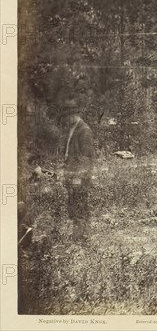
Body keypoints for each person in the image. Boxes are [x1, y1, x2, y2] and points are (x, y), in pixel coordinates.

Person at [60, 99, 95, 242]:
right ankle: (81, 235)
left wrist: (78, 178)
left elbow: (86, 158)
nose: (66, 120)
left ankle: (80, 237)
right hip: (72, 175)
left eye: (67, 116)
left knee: (79, 205)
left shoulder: (84, 130)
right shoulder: (73, 129)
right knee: (74, 205)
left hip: (79, 177)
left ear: (73, 115)